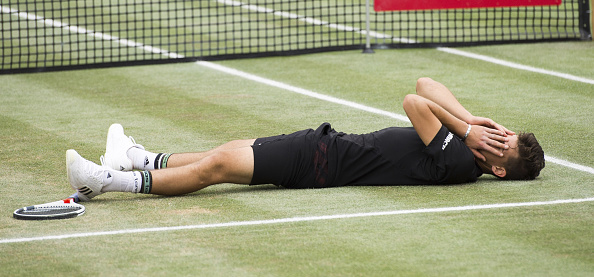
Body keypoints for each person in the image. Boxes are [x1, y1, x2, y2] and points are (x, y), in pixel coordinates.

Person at [66, 78, 545, 201]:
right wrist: (476, 119)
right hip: (324, 148)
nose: (495, 136)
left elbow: (413, 102)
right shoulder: (466, 143)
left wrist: (464, 128)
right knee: (224, 153)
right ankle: (135, 157)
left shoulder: (459, 162)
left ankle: (109, 181)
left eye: (502, 143)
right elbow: (427, 84)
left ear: (498, 169)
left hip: (322, 163)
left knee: (217, 169)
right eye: (502, 132)